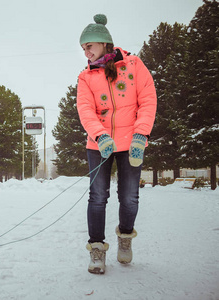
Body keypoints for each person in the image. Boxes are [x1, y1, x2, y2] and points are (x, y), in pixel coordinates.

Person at [76, 14, 157, 274]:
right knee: (98, 197)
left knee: (129, 197)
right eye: (83, 48)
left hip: (132, 142)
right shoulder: (85, 77)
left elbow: (147, 99)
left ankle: (124, 236)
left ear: (103, 43)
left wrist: (141, 134)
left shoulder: (133, 65)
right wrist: (100, 135)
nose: (85, 52)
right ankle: (97, 248)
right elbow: (85, 109)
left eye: (89, 46)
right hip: (100, 144)